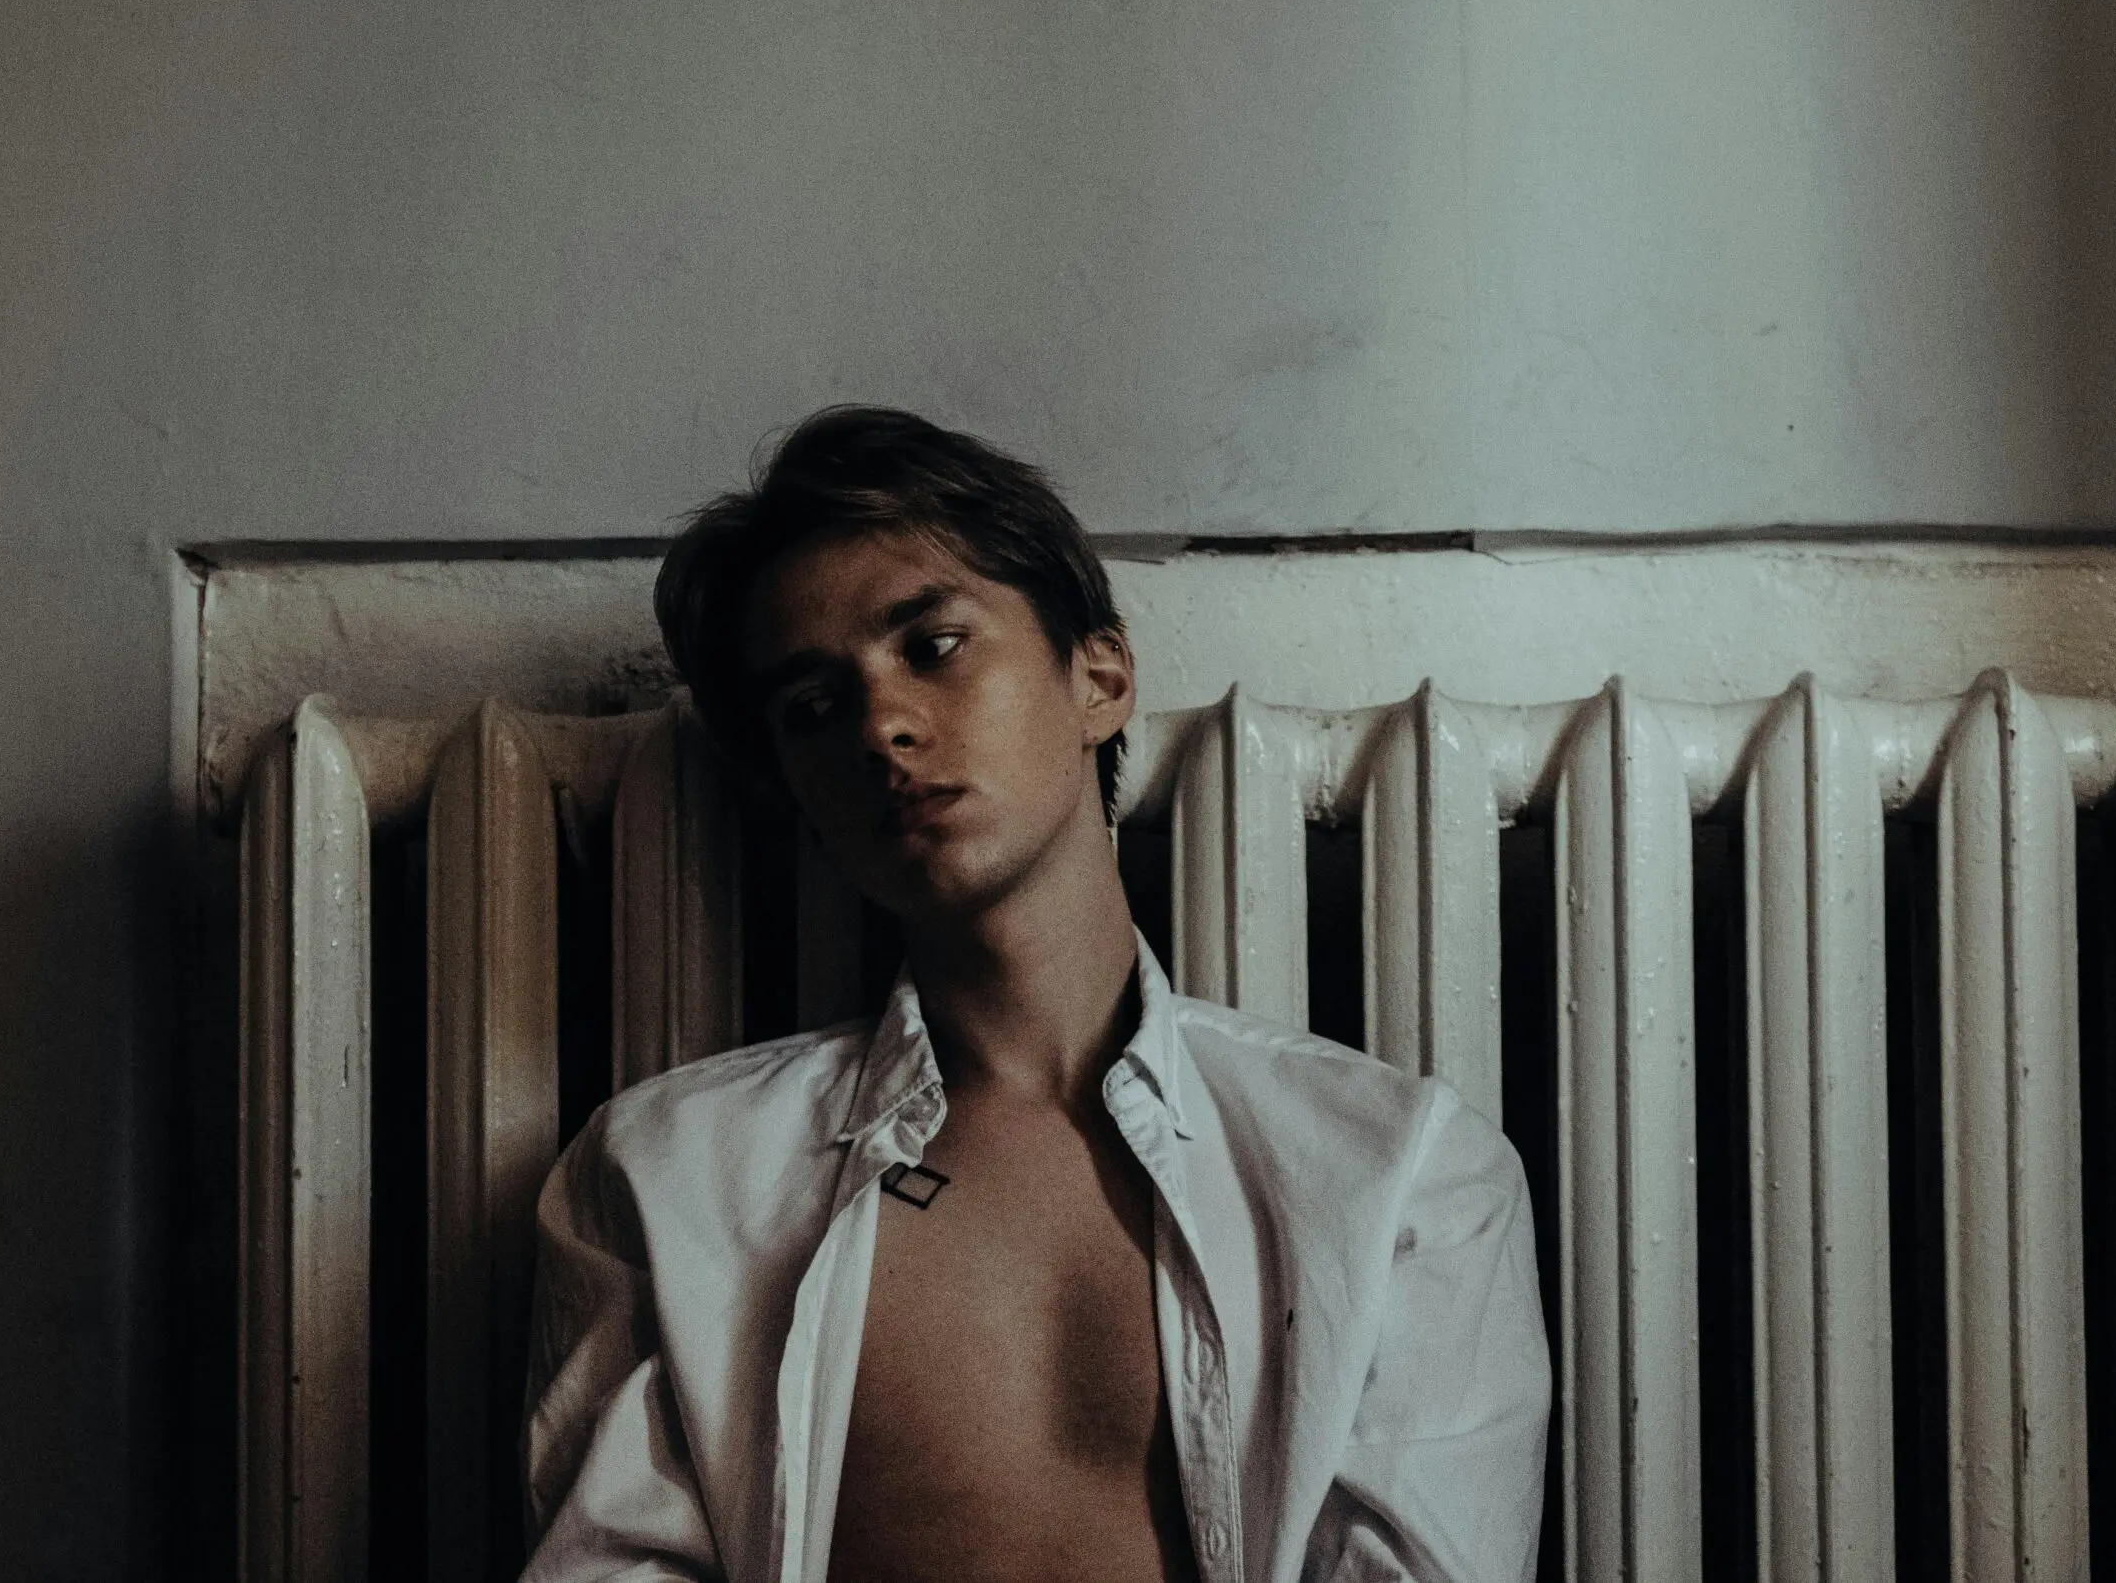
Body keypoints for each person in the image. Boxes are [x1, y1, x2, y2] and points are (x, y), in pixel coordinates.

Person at [519, 407, 1551, 1583]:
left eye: (932, 646)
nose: (882, 726)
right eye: (813, 708)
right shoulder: (663, 1178)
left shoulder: (1397, 1173)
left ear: (1099, 677)